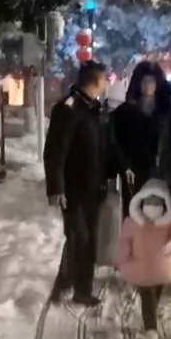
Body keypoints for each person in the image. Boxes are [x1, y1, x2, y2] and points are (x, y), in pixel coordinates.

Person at [44, 60, 110, 307]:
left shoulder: (95, 110)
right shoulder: (68, 109)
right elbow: (55, 152)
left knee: (89, 242)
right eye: (104, 79)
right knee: (77, 239)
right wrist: (57, 188)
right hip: (73, 191)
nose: (106, 84)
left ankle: (82, 290)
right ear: (96, 81)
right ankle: (62, 284)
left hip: (94, 189)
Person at [117, 179, 171, 339]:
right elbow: (125, 243)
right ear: (141, 201)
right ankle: (151, 334)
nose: (152, 206)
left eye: (157, 202)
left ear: (165, 204)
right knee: (148, 300)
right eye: (149, 201)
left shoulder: (166, 223)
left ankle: (150, 326)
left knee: (152, 300)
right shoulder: (134, 222)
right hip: (147, 269)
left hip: (156, 270)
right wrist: (123, 260)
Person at [112, 61, 171, 216]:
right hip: (137, 178)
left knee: (164, 221)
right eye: (144, 81)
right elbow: (116, 145)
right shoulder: (124, 113)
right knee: (137, 221)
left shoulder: (168, 112)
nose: (148, 86)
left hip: (164, 176)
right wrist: (125, 165)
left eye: (151, 81)